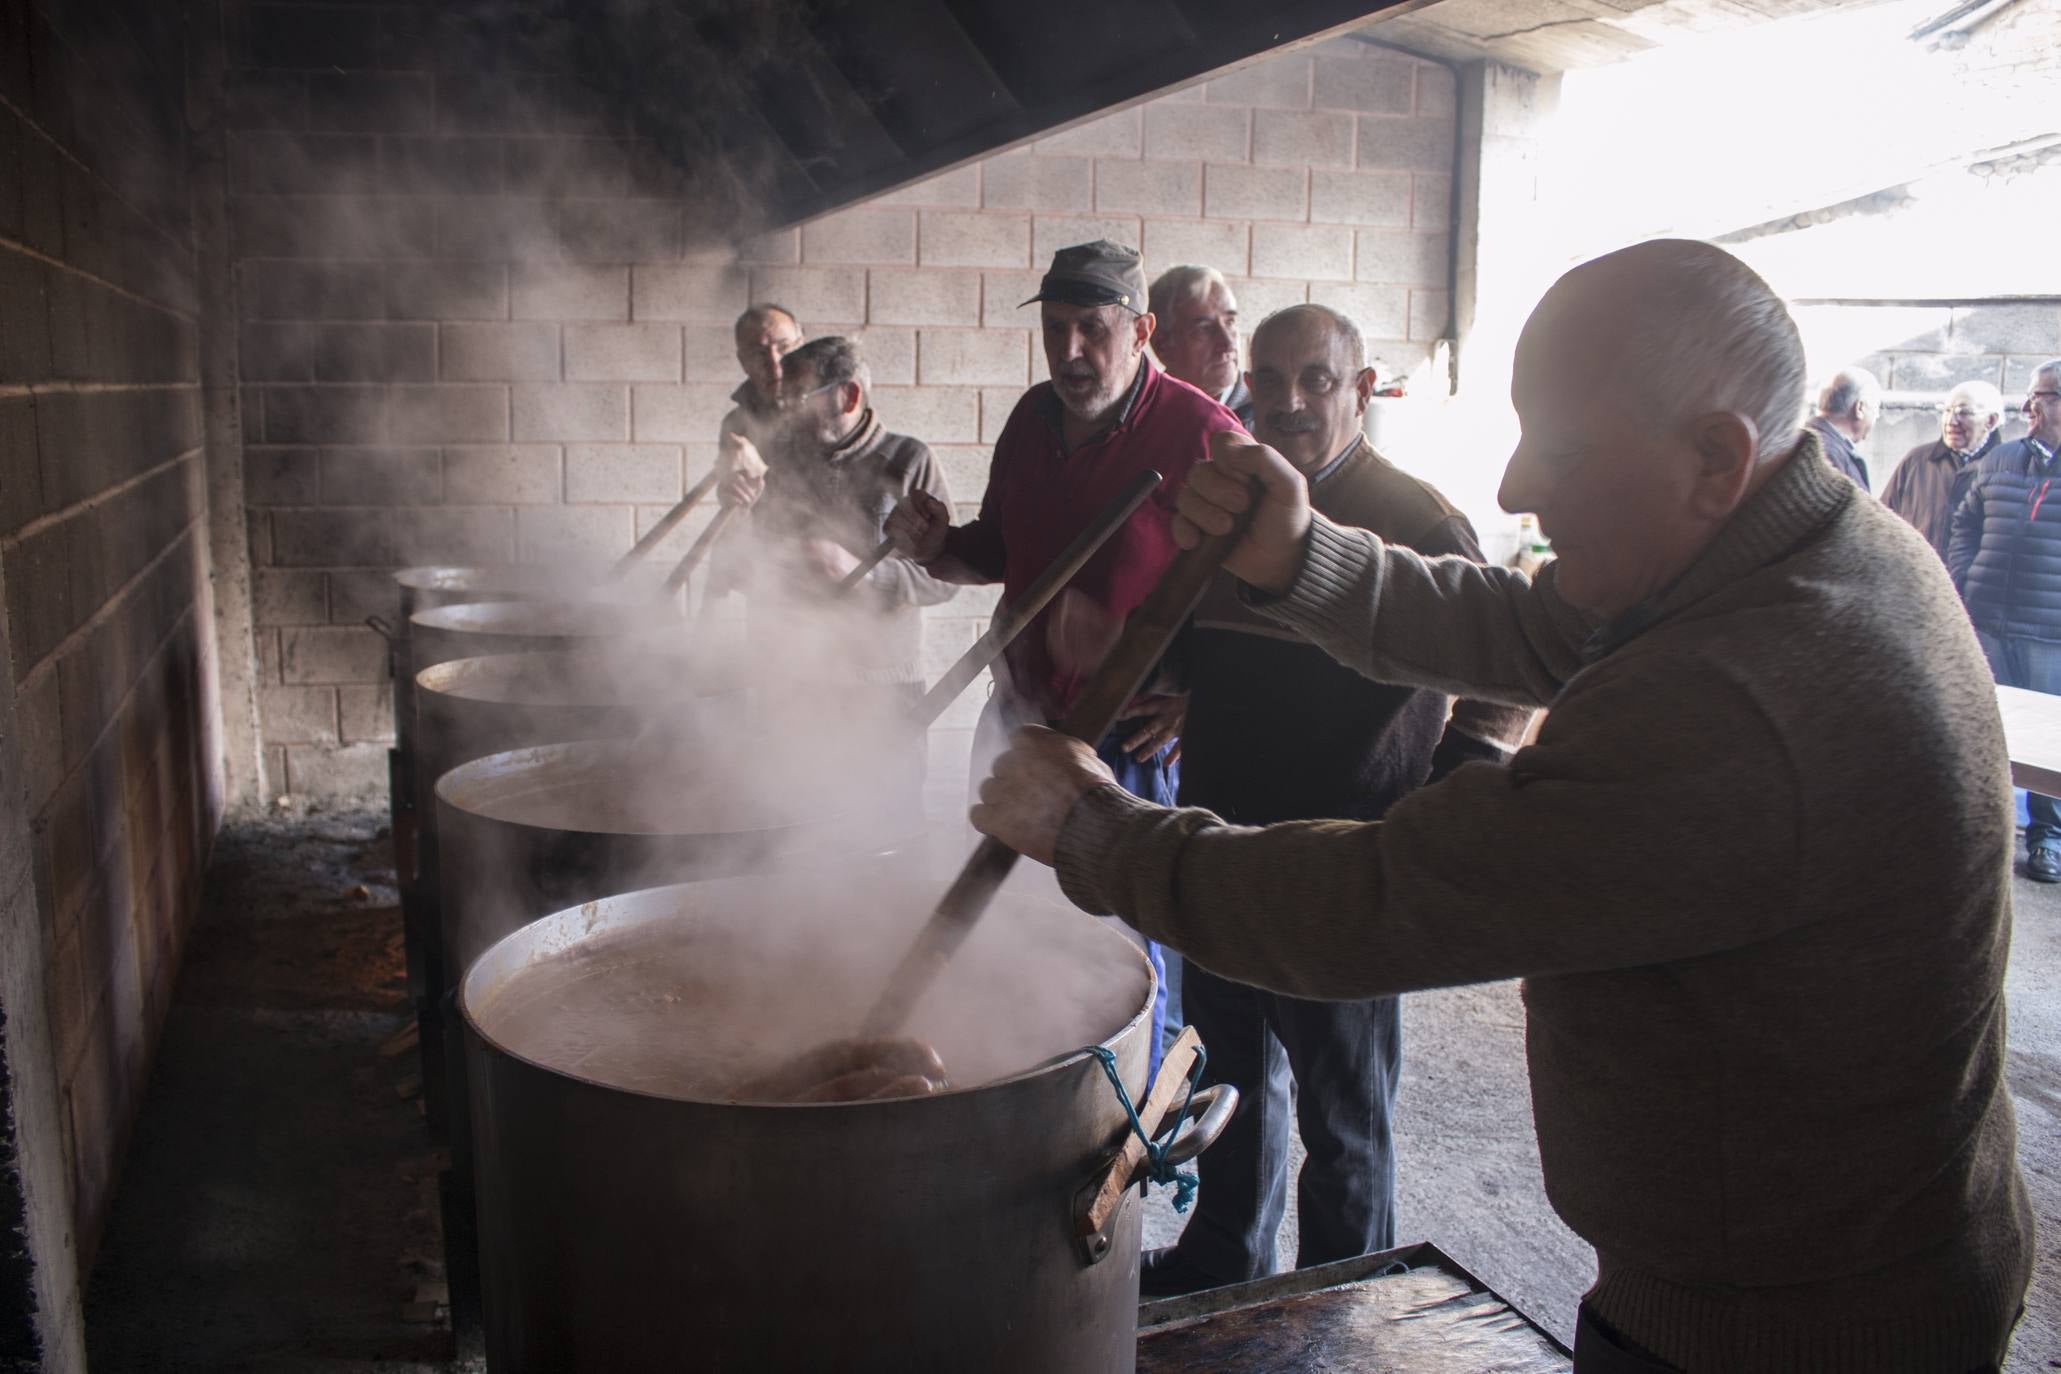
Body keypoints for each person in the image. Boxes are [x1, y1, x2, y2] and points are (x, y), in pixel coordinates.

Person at [971, 239, 2031, 1372]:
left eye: (1560, 448)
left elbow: (1382, 904)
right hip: (1806, 1271)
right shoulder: (1784, 550)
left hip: (1796, 1330)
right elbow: (1531, 625)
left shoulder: (1749, 704)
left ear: (1716, 458)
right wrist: (1303, 559)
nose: (1519, 485)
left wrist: (1094, 830)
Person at [1140, 303, 1530, 1299]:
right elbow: (1189, 637)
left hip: (1345, 869)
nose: (1288, 401)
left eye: (1316, 380)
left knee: (1344, 1118)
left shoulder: (1416, 518)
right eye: (1268, 381)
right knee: (1231, 1086)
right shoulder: (1232, 506)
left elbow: (1505, 671)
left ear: (1361, 390)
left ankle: (1344, 1306)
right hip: (1223, 844)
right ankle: (1223, 1268)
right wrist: (1159, 670)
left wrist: (1452, 784)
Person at [886, 240, 1244, 1083]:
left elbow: (1261, 600)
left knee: (1125, 948)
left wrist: (1199, 696)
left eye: (1093, 329)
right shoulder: (1030, 421)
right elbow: (1004, 553)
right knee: (1004, 918)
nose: (1071, 353)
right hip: (1016, 723)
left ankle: (1124, 1117)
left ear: (1141, 329)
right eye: (1055, 330)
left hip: (1124, 744)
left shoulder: (1201, 433)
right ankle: (1014, 1086)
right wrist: (940, 548)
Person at [1948, 361, 2061, 884]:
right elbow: (1965, 521)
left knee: (2050, 747)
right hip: (1988, 621)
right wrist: (1965, 579)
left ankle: (2047, 839)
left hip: (2049, 633)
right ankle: (1974, 827)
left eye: (2041, 396)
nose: (2028, 407)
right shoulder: (2002, 459)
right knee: (1981, 730)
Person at [1882, 380, 2003, 562]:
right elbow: (1882, 520)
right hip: (1916, 580)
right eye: (1946, 410)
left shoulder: (2006, 467)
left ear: (1990, 421)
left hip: (1972, 585)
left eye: (1963, 412)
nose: (1951, 421)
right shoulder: (1917, 460)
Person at [1149, 265, 1252, 427]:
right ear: (1161, 346)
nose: (1228, 344)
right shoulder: (1141, 415)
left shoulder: (1268, 415)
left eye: (1230, 322)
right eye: (1204, 329)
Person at [1804, 366, 1881, 491]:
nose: (1876, 417)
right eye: (1876, 410)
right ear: (1860, 408)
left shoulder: (1809, 439)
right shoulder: (1829, 454)